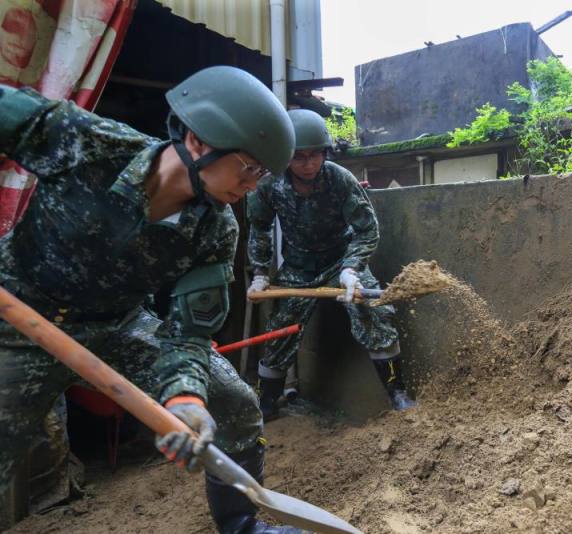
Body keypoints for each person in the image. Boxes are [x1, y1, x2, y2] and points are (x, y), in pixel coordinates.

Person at [0, 65, 302, 534]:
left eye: (262, 174)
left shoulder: (216, 229)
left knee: (233, 402)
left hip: (116, 326)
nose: (253, 185)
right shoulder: (87, 143)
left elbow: (189, 331)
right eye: (250, 167)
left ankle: (242, 528)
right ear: (200, 141)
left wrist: (186, 396)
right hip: (15, 319)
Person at [246, 109, 416, 420]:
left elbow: (367, 229)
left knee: (372, 310)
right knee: (280, 328)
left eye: (315, 155)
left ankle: (398, 393)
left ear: (325, 153)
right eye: (299, 157)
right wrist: (260, 273)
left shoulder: (340, 179)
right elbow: (259, 227)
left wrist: (352, 268)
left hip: (341, 260)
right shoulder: (269, 186)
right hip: (298, 267)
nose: (308, 164)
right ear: (286, 157)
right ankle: (267, 402)